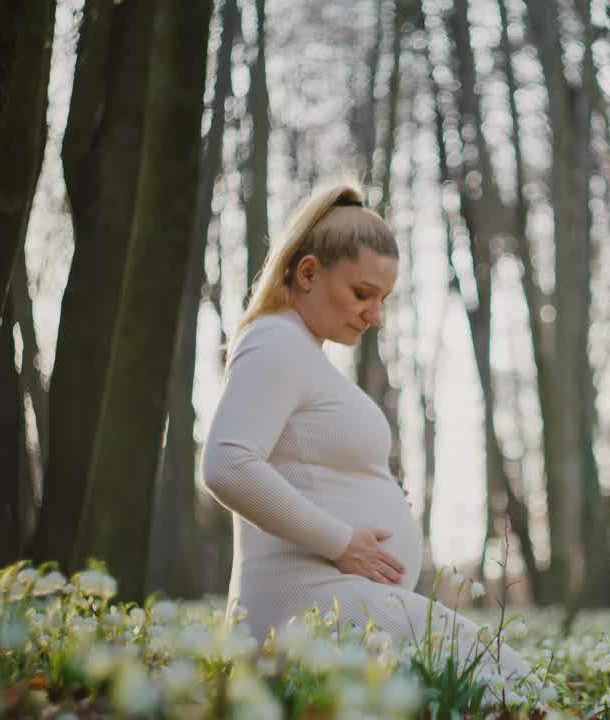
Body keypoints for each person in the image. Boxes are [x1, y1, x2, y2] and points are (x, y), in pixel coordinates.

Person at [202, 182, 531, 683]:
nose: (375, 316)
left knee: (508, 685)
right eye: (362, 294)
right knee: (514, 687)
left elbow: (296, 463)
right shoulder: (275, 341)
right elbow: (227, 464)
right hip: (307, 607)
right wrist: (342, 540)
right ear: (309, 273)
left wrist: (370, 489)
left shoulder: (300, 350)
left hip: (330, 603)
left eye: (383, 299)